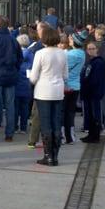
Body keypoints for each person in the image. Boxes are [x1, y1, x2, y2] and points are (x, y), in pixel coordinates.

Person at [29, 27, 68, 166]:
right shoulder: (63, 53)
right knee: (56, 122)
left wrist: (33, 79)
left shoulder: (40, 53)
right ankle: (55, 155)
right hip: (58, 91)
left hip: (43, 91)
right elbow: (65, 75)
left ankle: (48, 156)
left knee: (46, 124)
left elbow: (33, 77)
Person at [62, 32, 86, 144]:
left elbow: (64, 70)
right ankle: (70, 137)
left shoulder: (70, 55)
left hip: (66, 86)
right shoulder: (82, 54)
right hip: (76, 86)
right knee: (70, 112)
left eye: (71, 39)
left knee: (62, 112)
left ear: (75, 42)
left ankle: (63, 136)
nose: (69, 40)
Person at [80, 41, 105, 143]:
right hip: (88, 93)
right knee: (89, 114)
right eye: (89, 49)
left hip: (94, 93)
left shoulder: (98, 62)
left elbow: (95, 79)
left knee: (95, 115)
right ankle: (90, 134)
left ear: (97, 49)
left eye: (92, 49)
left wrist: (89, 86)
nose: (90, 51)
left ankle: (95, 136)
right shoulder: (90, 61)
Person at [15, 34, 33, 134]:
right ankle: (23, 127)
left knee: (15, 107)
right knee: (25, 107)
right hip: (27, 82)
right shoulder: (31, 54)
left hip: (17, 81)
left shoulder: (17, 54)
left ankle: (14, 126)